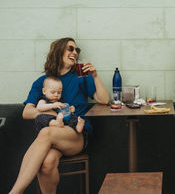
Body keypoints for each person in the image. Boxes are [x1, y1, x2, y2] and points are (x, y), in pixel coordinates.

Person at [10, 38, 109, 194]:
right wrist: (52, 112)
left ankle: (15, 192)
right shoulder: (42, 82)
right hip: (55, 134)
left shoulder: (81, 76)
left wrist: (95, 76)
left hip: (77, 133)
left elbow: (104, 100)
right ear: (58, 51)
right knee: (46, 164)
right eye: (70, 48)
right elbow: (26, 112)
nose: (75, 53)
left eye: (77, 50)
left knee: (45, 132)